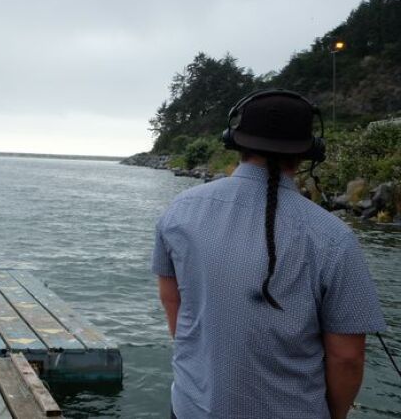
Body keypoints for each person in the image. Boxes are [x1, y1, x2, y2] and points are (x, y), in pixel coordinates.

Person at [151, 89, 385, 419]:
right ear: (310, 152)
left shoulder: (180, 211)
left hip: (192, 407)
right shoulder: (334, 237)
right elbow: (347, 357)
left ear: (234, 140)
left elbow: (171, 300)